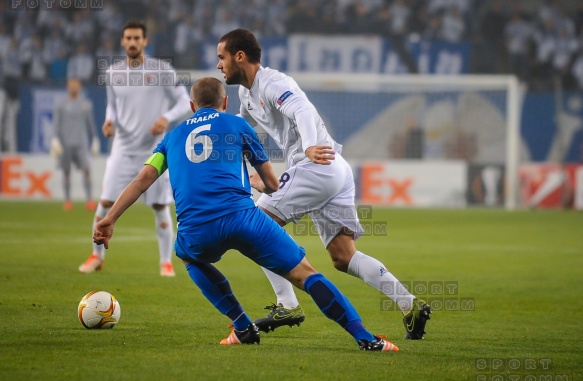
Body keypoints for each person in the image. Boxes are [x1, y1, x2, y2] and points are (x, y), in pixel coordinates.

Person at [93, 77, 399, 351]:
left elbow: (142, 179)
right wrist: (264, 186)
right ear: (225, 103)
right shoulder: (237, 125)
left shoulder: (171, 138)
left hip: (197, 228)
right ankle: (365, 338)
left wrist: (110, 218)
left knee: (188, 256)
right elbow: (271, 182)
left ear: (190, 105)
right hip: (244, 219)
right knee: (306, 274)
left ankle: (242, 326)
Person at [217, 29, 431, 340]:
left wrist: (307, 147)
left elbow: (301, 109)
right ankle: (409, 304)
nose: (218, 65)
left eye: (221, 57)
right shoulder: (246, 95)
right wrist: (258, 174)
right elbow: (243, 132)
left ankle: (287, 303)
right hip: (333, 171)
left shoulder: (275, 82)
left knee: (255, 225)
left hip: (316, 164)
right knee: (344, 257)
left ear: (240, 56)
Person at [79, 20, 191, 277]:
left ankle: (165, 262)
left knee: (160, 206)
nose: (132, 42)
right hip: (123, 148)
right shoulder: (113, 73)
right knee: (106, 202)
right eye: (128, 38)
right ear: (122, 41)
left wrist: (166, 117)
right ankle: (96, 257)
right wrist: (109, 121)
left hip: (155, 150)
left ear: (145, 41)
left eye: (136, 38)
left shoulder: (161, 70)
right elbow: (113, 106)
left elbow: (185, 101)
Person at [51, 78, 99, 211]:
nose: (73, 87)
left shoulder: (85, 104)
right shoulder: (61, 103)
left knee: (87, 169)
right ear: (67, 86)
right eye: (71, 85)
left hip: (81, 142)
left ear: (80, 87)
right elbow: (56, 122)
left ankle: (89, 200)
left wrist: (95, 138)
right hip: (66, 142)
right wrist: (54, 138)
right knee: (66, 171)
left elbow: (90, 123)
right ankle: (67, 200)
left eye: (76, 85)